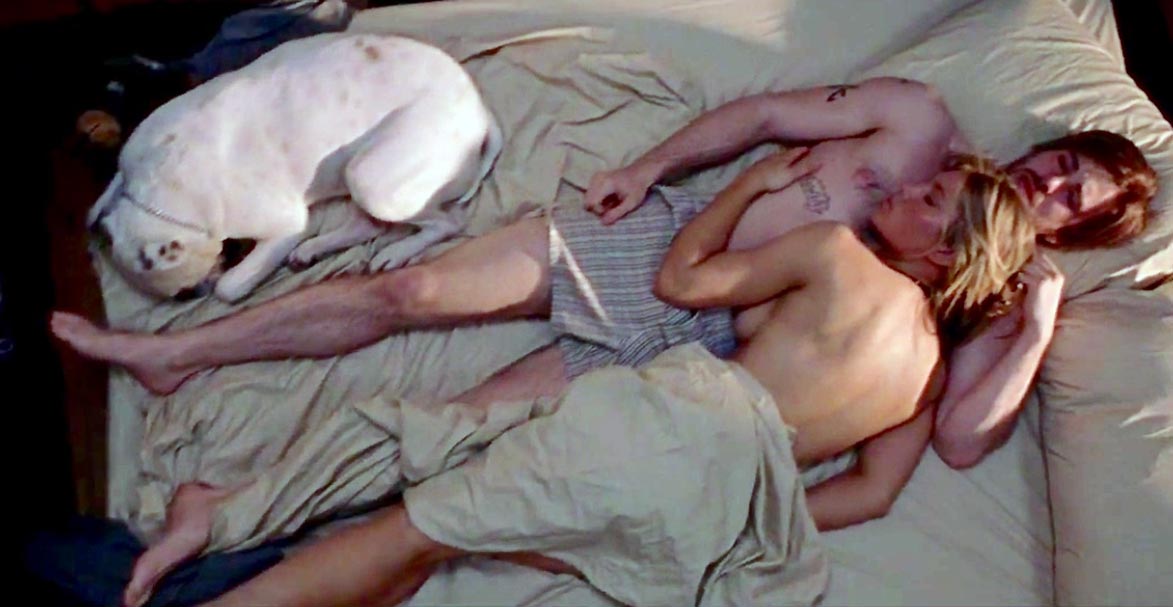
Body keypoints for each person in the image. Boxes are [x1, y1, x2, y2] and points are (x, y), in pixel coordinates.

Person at [52, 78, 1155, 465]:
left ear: (1072, 232)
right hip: (655, 242)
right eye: (1064, 162)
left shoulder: (984, 298)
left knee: (456, 432)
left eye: (1075, 200)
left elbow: (957, 440)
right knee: (409, 291)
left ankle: (241, 510)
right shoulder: (916, 122)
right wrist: (650, 165)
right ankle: (171, 353)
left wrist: (1035, 327)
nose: (1053, 185)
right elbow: (763, 117)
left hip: (696, 359)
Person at [149, 151, 1036, 607]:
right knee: (437, 538)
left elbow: (680, 282)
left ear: (945, 250)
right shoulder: (927, 380)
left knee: (407, 521)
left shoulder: (838, 254)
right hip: (703, 526)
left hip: (664, 435)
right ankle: (227, 523)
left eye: (929, 198)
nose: (905, 190)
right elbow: (871, 494)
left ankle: (219, 541)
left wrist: (747, 185)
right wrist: (751, 495)